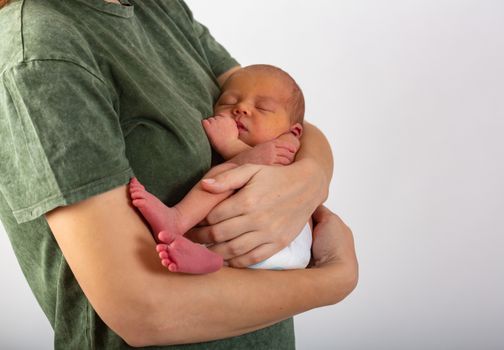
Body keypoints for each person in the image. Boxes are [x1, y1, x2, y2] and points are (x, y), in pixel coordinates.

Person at [0, 1, 358, 349]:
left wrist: (311, 176)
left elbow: (280, 107)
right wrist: (334, 280)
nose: (241, 111)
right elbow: (142, 311)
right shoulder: (43, 49)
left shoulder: (157, 7)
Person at [130, 64, 313, 274]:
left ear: (295, 130)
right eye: (228, 102)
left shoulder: (288, 143)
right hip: (252, 249)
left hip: (284, 241)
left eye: (262, 108)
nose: (241, 108)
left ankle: (177, 219)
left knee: (225, 175)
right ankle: (210, 260)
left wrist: (228, 144)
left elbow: (268, 167)